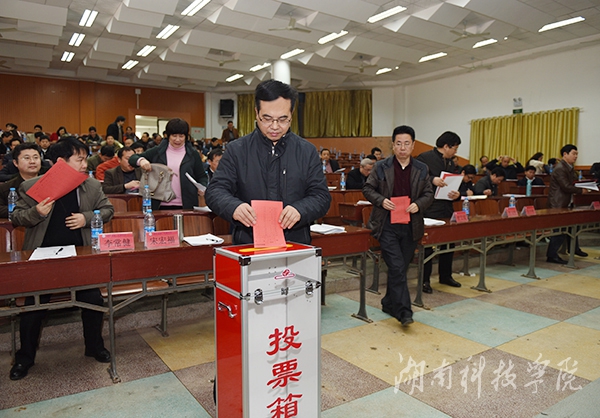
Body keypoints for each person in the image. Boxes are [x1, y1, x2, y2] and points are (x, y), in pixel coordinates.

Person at [9, 137, 114, 380]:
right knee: (33, 307)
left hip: (79, 256)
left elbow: (108, 210)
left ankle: (94, 347)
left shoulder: (91, 185)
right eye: (79, 159)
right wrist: (36, 212)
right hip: (43, 257)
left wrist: (86, 217)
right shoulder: (33, 186)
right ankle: (24, 358)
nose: (84, 164)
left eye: (85, 159)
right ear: (60, 162)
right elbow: (17, 217)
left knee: (94, 300)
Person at [205, 79, 331, 245]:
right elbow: (215, 191)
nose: (275, 126)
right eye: (267, 118)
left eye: (283, 119)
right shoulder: (237, 150)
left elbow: (321, 196)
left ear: (292, 114)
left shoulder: (306, 151)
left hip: (295, 243)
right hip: (248, 242)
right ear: (256, 112)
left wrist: (300, 210)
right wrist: (234, 207)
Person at [363, 125, 433, 325]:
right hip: (386, 224)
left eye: (407, 143)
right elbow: (368, 188)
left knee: (400, 268)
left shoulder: (422, 168)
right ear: (393, 145)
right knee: (396, 266)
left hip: (411, 225)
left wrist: (418, 205)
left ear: (413, 145)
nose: (403, 148)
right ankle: (404, 311)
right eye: (399, 143)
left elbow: (429, 193)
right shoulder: (381, 166)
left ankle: (388, 302)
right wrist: (381, 200)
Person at [417, 131, 463, 293]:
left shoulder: (450, 163)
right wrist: (432, 179)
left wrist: (457, 195)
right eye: (455, 148)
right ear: (446, 146)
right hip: (430, 208)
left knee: (448, 243)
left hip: (446, 207)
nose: (455, 152)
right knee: (428, 246)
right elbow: (415, 177)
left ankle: (445, 276)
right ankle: (424, 280)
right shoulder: (424, 158)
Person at [129, 118, 208, 210]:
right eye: (174, 136)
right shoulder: (158, 151)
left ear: (186, 136)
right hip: (159, 204)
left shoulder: (193, 154)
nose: (177, 139)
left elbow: (201, 176)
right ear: (168, 135)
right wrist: (141, 160)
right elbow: (132, 159)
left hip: (186, 204)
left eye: (181, 136)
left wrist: (202, 187)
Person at [546, 144, 591, 264]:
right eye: (573, 154)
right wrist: (581, 191)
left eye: (577, 154)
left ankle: (574, 248)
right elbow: (565, 186)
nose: (576, 156)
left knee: (573, 226)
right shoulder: (560, 168)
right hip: (558, 203)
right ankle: (551, 255)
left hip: (566, 202)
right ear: (565, 154)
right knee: (560, 230)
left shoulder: (569, 167)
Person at [0, 143, 44, 218]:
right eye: (27, 158)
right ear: (15, 163)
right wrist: (26, 211)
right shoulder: (5, 188)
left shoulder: (49, 183)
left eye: (36, 157)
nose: (32, 161)